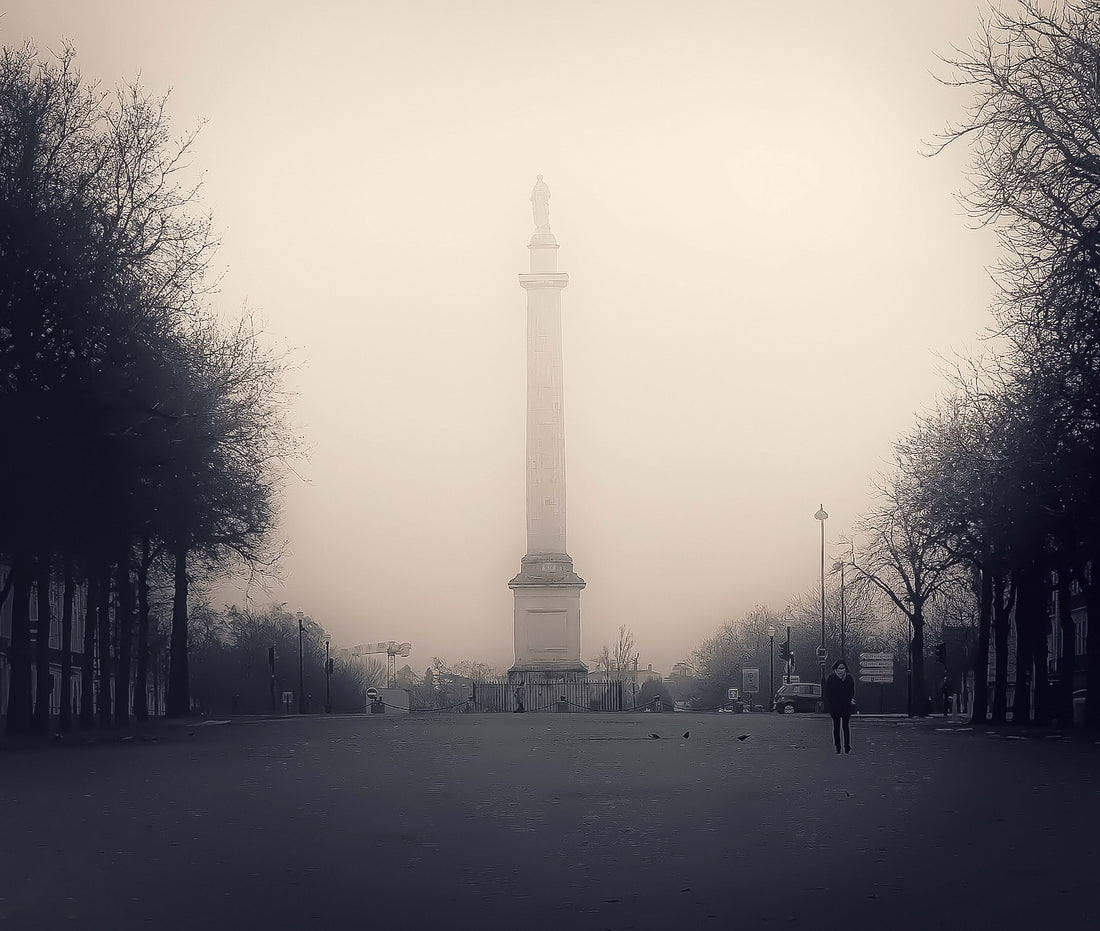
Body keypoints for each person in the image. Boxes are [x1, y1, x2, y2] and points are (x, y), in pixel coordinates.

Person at [825, 659, 856, 754]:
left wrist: (848, 699)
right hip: (835, 707)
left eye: (843, 668)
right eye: (839, 668)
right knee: (836, 727)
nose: (841, 670)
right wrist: (830, 703)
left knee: (846, 727)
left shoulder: (849, 678)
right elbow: (827, 692)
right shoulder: (831, 678)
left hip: (846, 706)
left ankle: (847, 746)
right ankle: (838, 747)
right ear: (836, 669)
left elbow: (852, 691)